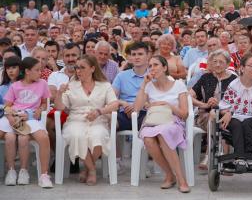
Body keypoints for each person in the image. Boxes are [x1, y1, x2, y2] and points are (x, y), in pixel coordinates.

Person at [54, 55, 119, 185]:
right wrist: (59, 93)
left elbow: (115, 104)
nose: (78, 71)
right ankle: (92, 170)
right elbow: (59, 107)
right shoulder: (71, 85)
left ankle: (86, 168)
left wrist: (99, 111)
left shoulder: (104, 85)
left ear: (92, 68)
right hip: (75, 120)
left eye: (82, 67)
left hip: (98, 120)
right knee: (77, 135)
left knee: (98, 135)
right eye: (77, 68)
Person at [135, 55, 191, 193]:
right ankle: (169, 175)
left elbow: (184, 114)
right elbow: (137, 108)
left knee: (163, 133)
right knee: (148, 139)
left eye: (156, 65)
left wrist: (168, 105)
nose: (152, 68)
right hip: (154, 121)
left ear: (165, 67)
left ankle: (181, 179)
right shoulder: (148, 86)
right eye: (150, 66)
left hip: (173, 121)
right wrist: (143, 85)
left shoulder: (178, 85)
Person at [1, 57, 53, 188]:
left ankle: (44, 175)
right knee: (8, 136)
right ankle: (11, 172)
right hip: (13, 116)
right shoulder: (15, 86)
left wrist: (39, 109)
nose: (40, 73)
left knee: (43, 137)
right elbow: (7, 106)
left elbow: (45, 104)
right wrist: (10, 116)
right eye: (37, 70)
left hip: (30, 118)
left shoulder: (42, 84)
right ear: (28, 71)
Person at [190, 49, 237, 169]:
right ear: (210, 63)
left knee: (219, 118)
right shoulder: (206, 77)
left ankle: (209, 157)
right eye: (214, 61)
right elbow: (188, 96)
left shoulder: (234, 79)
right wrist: (204, 105)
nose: (217, 64)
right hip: (205, 115)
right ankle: (222, 159)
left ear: (227, 64)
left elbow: (238, 101)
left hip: (228, 115)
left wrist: (223, 107)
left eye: (221, 62)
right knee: (213, 115)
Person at [113, 42, 150, 132]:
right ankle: (113, 146)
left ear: (148, 56)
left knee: (151, 122)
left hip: (145, 113)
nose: (136, 57)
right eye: (133, 54)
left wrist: (143, 105)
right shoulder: (121, 76)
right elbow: (111, 97)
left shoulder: (153, 76)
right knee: (108, 121)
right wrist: (123, 103)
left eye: (140, 54)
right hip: (124, 112)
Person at [0, 56, 21, 185]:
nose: (11, 71)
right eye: (8, 68)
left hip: (20, 118)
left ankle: (11, 170)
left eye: (14, 67)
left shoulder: (25, 85)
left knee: (10, 137)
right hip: (4, 118)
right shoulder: (2, 88)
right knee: (9, 137)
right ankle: (11, 170)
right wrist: (5, 109)